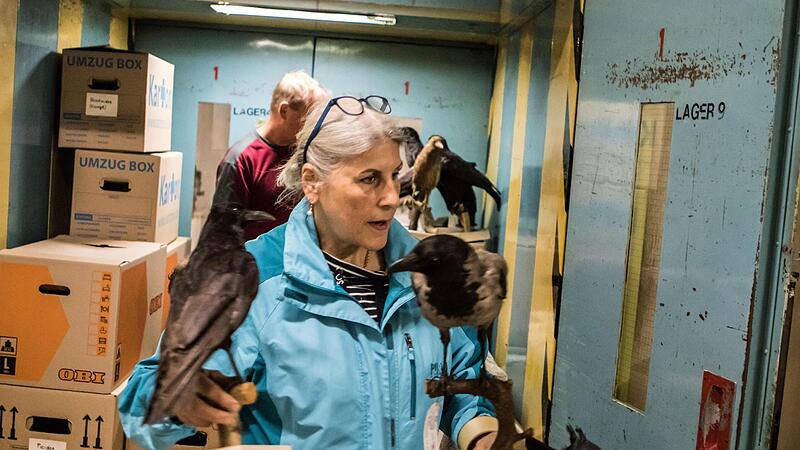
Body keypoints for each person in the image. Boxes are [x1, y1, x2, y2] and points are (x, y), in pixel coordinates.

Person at [119, 95, 499, 450]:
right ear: (313, 182)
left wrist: (483, 435)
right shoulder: (252, 277)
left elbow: (463, 384)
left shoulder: (430, 271)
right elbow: (139, 406)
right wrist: (181, 399)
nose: (390, 196)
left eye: (393, 175)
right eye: (369, 179)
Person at [212, 70, 328, 240]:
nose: (313, 126)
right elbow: (223, 231)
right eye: (308, 118)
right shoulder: (242, 159)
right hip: (255, 262)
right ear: (284, 111)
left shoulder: (305, 153)